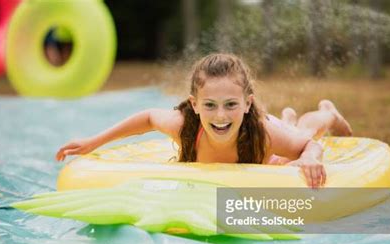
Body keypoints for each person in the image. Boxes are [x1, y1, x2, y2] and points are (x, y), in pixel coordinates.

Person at [56, 53, 352, 188]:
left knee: (302, 131)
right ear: (195, 105)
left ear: (248, 104)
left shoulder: (262, 133)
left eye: (230, 105)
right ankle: (289, 116)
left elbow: (309, 146)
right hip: (262, 134)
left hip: (269, 148)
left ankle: (328, 112)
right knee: (290, 129)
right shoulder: (185, 125)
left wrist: (311, 157)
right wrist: (92, 142)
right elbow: (147, 117)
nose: (220, 116)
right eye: (210, 105)